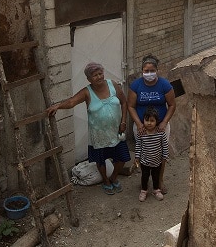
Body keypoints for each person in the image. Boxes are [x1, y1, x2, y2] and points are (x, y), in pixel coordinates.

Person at [47, 62, 130, 195]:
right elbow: (72, 102)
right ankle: (106, 181)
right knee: (100, 160)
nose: (98, 77)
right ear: (89, 79)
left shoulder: (113, 84)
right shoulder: (87, 92)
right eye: (94, 75)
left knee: (122, 157)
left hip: (116, 131)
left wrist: (124, 121)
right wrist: (58, 106)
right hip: (98, 135)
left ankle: (114, 178)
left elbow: (124, 102)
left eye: (100, 73)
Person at [128, 54, 176, 193]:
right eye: (145, 71)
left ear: (157, 70)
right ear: (142, 71)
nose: (149, 73)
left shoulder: (165, 85)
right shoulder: (136, 85)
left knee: (160, 154)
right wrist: (139, 124)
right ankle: (144, 181)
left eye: (151, 70)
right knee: (143, 153)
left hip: (160, 127)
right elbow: (131, 106)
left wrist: (164, 122)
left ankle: (159, 181)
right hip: (142, 127)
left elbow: (172, 105)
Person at [134, 106, 169, 202]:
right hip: (144, 161)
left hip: (157, 161)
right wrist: (137, 157)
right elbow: (138, 146)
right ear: (143, 120)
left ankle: (156, 190)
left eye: (152, 120)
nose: (149, 123)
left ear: (156, 121)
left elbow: (165, 145)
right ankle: (144, 191)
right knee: (144, 176)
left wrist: (165, 156)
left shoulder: (160, 133)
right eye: (146, 120)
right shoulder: (141, 133)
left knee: (155, 176)